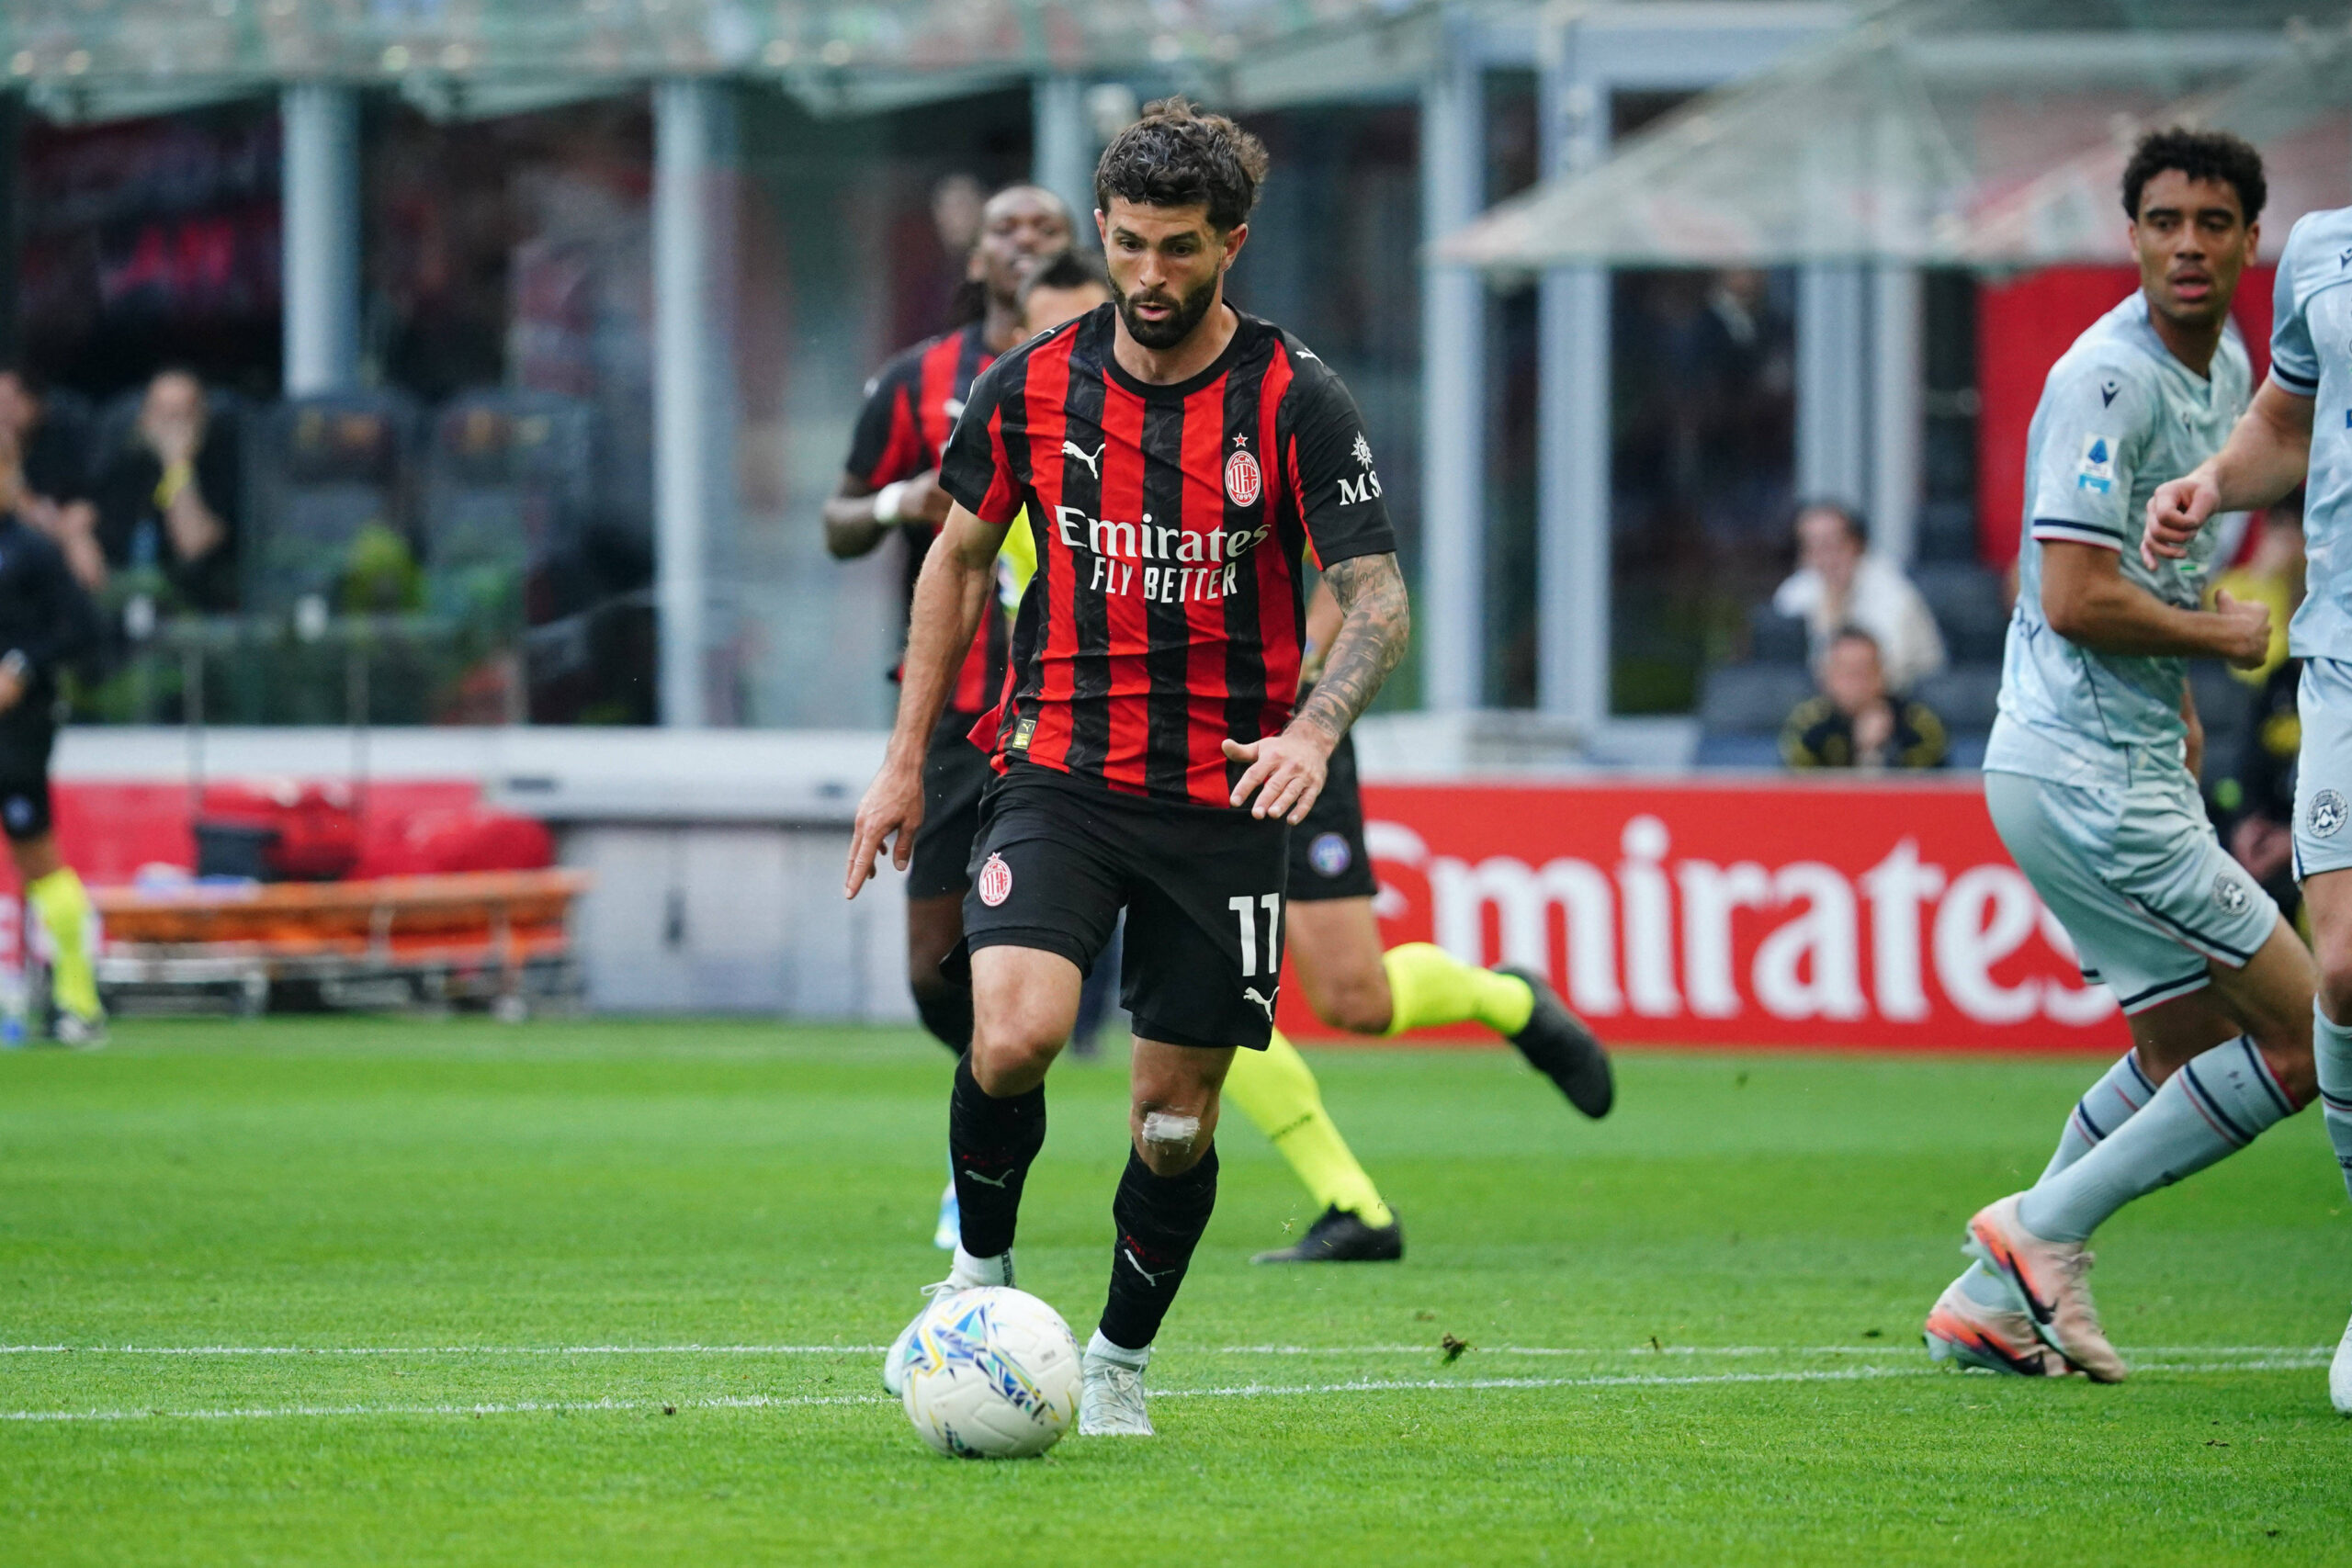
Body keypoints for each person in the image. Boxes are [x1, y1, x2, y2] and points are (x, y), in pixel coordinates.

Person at [845, 100, 1413, 1436]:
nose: (1151, 275)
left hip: (1222, 798)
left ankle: (1116, 1363)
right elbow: (956, 560)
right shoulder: (1033, 383)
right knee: (1011, 1033)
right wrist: (903, 763)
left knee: (1172, 1122)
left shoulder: (1294, 396)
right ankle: (973, 1287)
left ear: (1233, 243)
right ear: (1102, 230)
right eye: (1132, 244)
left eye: (1181, 248)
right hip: (1059, 768)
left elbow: (1378, 596)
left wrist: (1313, 730)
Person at [1012, 250, 1613, 1265]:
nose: (1081, 337)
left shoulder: (1248, 403)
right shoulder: (1028, 430)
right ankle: (1355, 1206)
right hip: (1120, 759)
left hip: (1277, 737)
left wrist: (1302, 705)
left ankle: (1507, 999)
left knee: (1354, 998)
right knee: (1188, 991)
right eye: (1049, 324)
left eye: (1085, 313)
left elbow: (1353, 573)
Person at [1924, 129, 2316, 1384]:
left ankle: (1991, 1298)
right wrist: (2218, 638)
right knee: (2309, 1037)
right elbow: (2073, 592)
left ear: (2251, 239)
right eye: (2163, 221)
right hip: (2087, 774)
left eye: (2213, 222)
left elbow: (2151, 567)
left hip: (2110, 762)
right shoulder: (2109, 379)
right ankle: (2040, 1230)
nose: (2187, 245)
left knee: (2181, 1047)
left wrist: (2180, 693)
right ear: (2132, 236)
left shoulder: (2231, 368)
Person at [825, 184, 1075, 1247]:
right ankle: (994, 1107)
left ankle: (987, 1152)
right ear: (976, 261)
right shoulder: (916, 381)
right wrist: (899, 502)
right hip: (952, 711)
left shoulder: (1113, 384)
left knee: (1044, 950)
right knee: (933, 969)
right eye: (1006, 229)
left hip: (1069, 716)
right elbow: (837, 521)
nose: (1026, 244)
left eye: (1047, 230)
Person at [2143, 148, 2352, 1417]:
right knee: (2343, 973)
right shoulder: (2324, 249)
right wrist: (2214, 482)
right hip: (2344, 658)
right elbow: (2285, 421)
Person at [0, 465, 106, 1044]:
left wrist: (20, 667)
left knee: (38, 859)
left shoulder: (33, 551)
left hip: (16, 732)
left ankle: (77, 1002)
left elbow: (81, 629)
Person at [94, 368, 240, 612]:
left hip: (201, 605)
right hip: (126, 602)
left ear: (202, 418)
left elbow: (194, 545)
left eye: (180, 416)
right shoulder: (125, 465)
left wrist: (176, 463)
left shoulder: (221, 464)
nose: (169, 427)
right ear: (144, 417)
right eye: (161, 413)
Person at [1770, 501, 1946, 693]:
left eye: (1832, 544)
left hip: (1907, 695)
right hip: (1831, 698)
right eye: (1811, 546)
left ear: (1858, 544)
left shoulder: (1893, 591)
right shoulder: (1796, 591)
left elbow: (1877, 674)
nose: (1824, 557)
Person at [1780, 627, 1947, 772]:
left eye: (1863, 671)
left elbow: (1927, 790)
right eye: (1846, 672)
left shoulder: (1918, 725)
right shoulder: (1806, 724)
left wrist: (1876, 755)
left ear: (1882, 674)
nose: (1855, 683)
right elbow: (1799, 789)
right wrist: (1861, 753)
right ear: (1826, 676)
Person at [0, 367, 101, 591]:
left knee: (78, 535)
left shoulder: (56, 439)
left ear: (35, 404)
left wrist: (70, 520)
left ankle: (91, 604)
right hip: (11, 535)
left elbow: (82, 500)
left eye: (11, 402)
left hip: (48, 534)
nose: (4, 412)